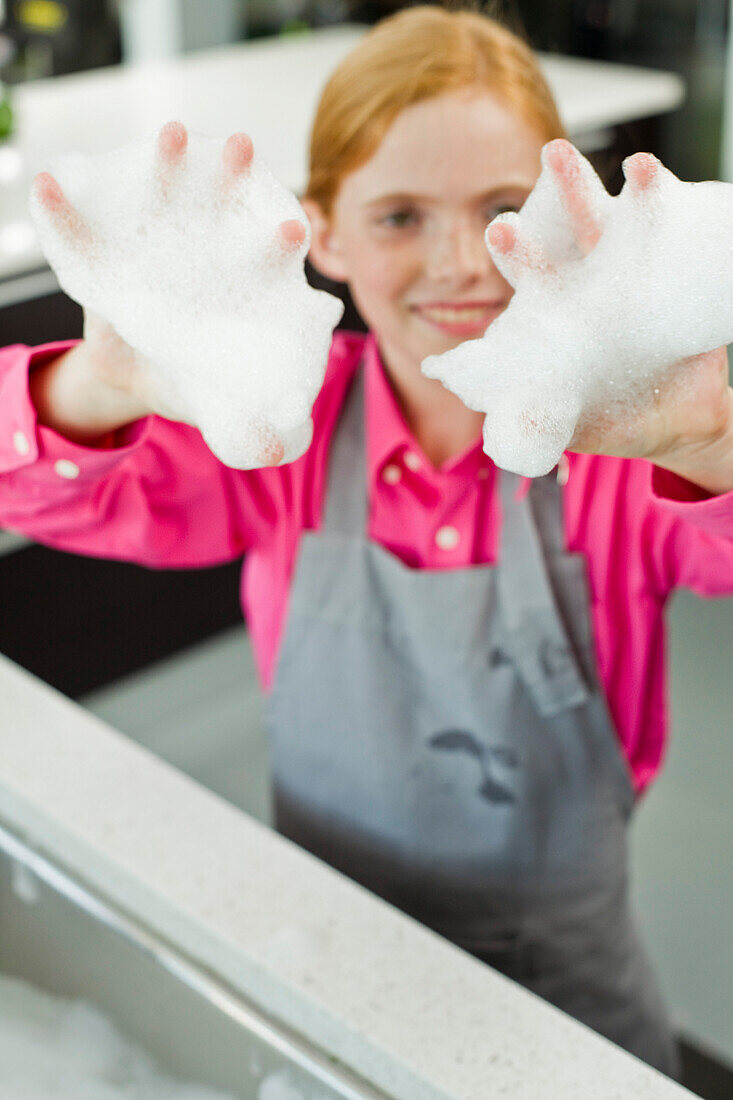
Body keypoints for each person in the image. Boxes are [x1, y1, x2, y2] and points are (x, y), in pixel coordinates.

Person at [1, 4, 732, 1079]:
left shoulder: (617, 458)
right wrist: (105, 380)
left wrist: (710, 442)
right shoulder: (283, 430)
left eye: (496, 210)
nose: (458, 264)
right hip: (324, 950)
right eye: (397, 216)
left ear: (553, 222)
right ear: (323, 233)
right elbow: (41, 492)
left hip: (569, 997)